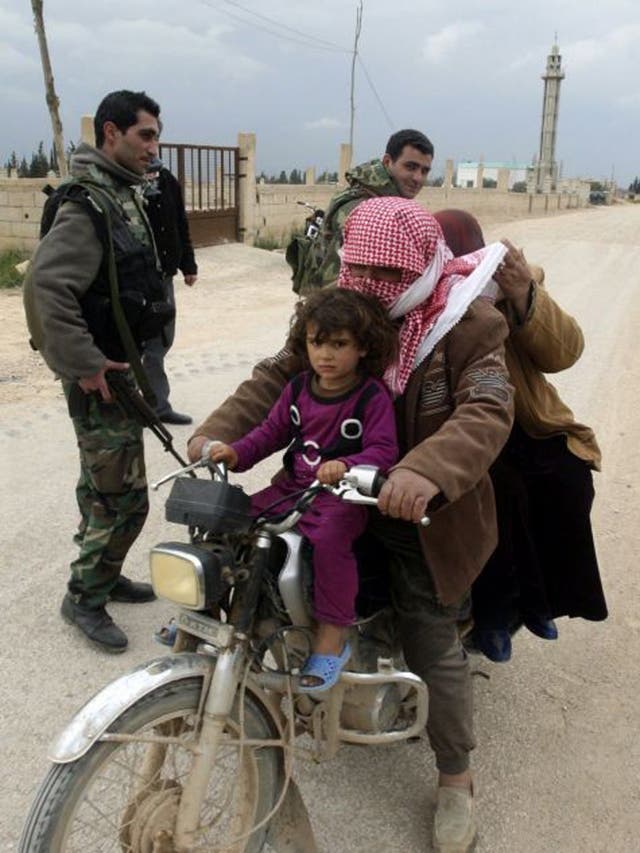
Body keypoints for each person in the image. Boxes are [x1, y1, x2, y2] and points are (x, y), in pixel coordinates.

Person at [189, 197, 516, 852]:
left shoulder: (467, 319)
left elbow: (486, 407)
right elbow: (278, 377)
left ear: (424, 265)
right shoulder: (340, 312)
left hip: (423, 514)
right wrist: (218, 434)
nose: (375, 286)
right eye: (360, 269)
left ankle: (455, 775)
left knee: (431, 634)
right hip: (329, 495)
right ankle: (270, 732)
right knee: (259, 582)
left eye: (390, 275)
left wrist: (426, 469)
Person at [23, 90, 168, 653]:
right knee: (124, 498)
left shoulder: (120, 194)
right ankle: (84, 597)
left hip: (118, 370)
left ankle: (103, 576)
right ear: (112, 133)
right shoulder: (88, 203)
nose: (153, 148)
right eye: (146, 136)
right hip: (100, 376)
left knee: (102, 486)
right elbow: (47, 288)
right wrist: (84, 365)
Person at [434, 209, 608, 662]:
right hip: (460, 427)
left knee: (567, 478)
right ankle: (494, 615)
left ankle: (543, 603)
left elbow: (565, 351)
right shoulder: (420, 294)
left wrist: (523, 293)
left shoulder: (511, 285)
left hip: (524, 419)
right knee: (497, 490)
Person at [203, 289, 399, 690]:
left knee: (329, 543)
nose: (325, 354)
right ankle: (205, 617)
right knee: (229, 520)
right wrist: (235, 452)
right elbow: (270, 432)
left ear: (363, 348)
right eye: (317, 343)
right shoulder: (297, 388)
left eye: (339, 344)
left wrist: (346, 465)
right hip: (293, 488)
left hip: (342, 499)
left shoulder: (371, 396)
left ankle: (331, 642)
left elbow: (384, 449)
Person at [286, 128, 434, 293]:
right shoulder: (365, 210)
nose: (418, 178)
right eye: (410, 167)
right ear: (387, 162)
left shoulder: (378, 201)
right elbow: (342, 279)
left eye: (424, 171)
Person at [142, 164, 198, 425]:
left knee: (161, 340)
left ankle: (157, 407)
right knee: (130, 343)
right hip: (131, 280)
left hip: (163, 278)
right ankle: (131, 407)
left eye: (154, 139)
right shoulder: (120, 182)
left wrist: (188, 265)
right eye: (145, 137)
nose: (150, 148)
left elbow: (180, 223)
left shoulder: (166, 180)